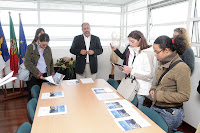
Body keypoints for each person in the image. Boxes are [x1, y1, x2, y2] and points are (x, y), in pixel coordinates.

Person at [149, 35, 191, 133]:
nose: (155, 54)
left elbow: (184, 96)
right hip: (156, 106)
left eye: (157, 51)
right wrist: (152, 89)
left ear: (167, 50)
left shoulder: (181, 68)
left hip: (169, 113)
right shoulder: (162, 62)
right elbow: (158, 82)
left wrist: (158, 95)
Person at [111, 30, 156, 108]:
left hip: (140, 87)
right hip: (131, 84)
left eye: (133, 41)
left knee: (138, 110)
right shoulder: (132, 50)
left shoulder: (148, 53)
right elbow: (133, 67)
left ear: (140, 40)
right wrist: (126, 69)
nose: (130, 44)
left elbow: (150, 75)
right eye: (129, 41)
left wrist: (131, 71)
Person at [24, 32, 55, 101]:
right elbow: (27, 62)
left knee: (45, 96)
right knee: (33, 95)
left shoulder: (48, 49)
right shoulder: (31, 47)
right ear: (39, 41)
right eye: (43, 44)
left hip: (45, 76)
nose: (44, 46)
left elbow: (51, 62)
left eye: (46, 45)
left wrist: (52, 73)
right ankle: (33, 110)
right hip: (33, 75)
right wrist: (38, 74)